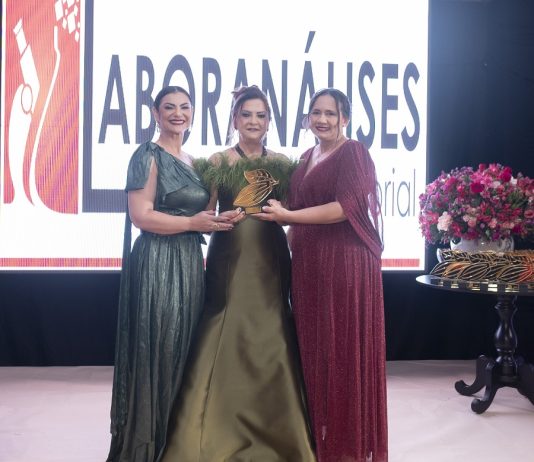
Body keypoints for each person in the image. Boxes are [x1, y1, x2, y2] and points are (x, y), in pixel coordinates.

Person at [161, 85, 316, 461]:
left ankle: (281, 436)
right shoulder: (217, 161)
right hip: (229, 256)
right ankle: (208, 432)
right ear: (234, 119)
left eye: (261, 116)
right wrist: (214, 221)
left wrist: (284, 219)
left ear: (269, 122)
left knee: (272, 333)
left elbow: (289, 213)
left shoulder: (282, 162)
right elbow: (207, 211)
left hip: (270, 258)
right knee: (222, 328)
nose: (253, 121)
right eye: (246, 114)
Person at [106, 86, 238, 462]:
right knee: (160, 349)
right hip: (157, 263)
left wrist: (222, 219)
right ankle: (150, 445)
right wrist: (193, 223)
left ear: (193, 112)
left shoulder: (194, 161)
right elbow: (141, 216)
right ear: (155, 113)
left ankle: (178, 444)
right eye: (169, 107)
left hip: (189, 264)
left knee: (185, 349)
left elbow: (201, 214)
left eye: (184, 107)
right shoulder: (147, 155)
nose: (178, 113)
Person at [257, 88, 388, 462]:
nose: (323, 119)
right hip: (309, 265)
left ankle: (345, 444)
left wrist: (288, 217)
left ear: (344, 118)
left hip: (345, 264)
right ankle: (321, 435)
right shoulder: (304, 157)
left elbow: (344, 209)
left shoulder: (354, 152)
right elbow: (297, 210)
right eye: (316, 112)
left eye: (331, 113)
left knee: (340, 349)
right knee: (315, 348)